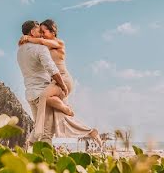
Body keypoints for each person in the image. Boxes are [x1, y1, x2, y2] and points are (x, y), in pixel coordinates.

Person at [19, 18, 102, 148]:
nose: (41, 33)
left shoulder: (58, 43)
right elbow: (38, 46)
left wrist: (27, 38)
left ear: (53, 32)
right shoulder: (42, 46)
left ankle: (36, 135)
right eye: (39, 30)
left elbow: (39, 41)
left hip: (63, 80)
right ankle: (90, 131)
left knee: (43, 97)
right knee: (60, 116)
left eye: (43, 31)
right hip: (54, 83)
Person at [16, 20, 67, 144]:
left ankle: (27, 152)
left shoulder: (20, 51)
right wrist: (63, 85)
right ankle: (46, 163)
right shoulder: (40, 48)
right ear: (32, 32)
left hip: (30, 94)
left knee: (38, 128)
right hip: (42, 95)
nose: (42, 33)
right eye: (39, 30)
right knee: (47, 133)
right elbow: (52, 69)